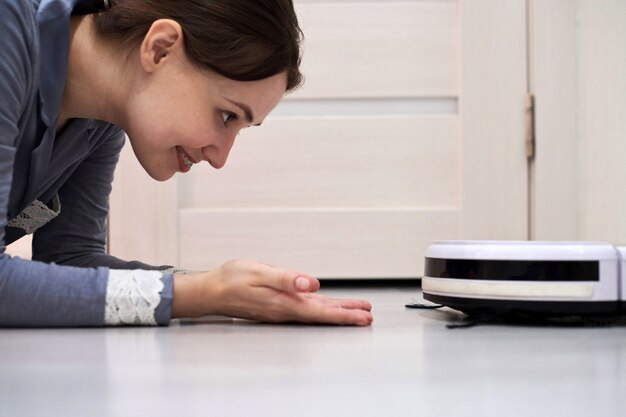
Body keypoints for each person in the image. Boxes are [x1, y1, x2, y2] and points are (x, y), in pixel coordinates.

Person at [0, 0, 373, 327]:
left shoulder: (101, 119)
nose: (220, 157)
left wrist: (229, 289)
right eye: (227, 116)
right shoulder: (8, 28)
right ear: (160, 49)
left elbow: (70, 259)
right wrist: (199, 296)